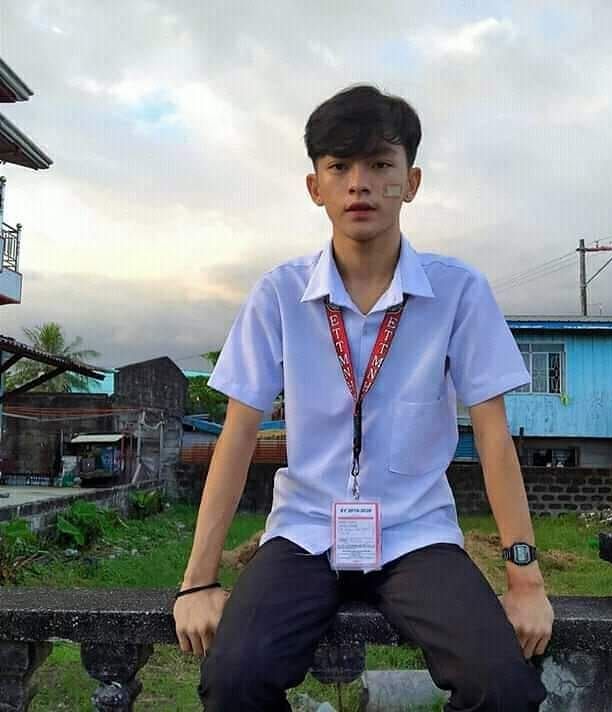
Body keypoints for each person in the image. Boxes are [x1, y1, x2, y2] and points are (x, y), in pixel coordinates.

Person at [173, 84, 553, 711]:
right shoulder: (279, 295)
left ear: (412, 180)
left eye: (380, 165)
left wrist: (525, 578)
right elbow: (237, 436)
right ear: (314, 185)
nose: (360, 185)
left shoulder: (458, 293)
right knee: (233, 678)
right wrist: (199, 581)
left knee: (504, 684)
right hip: (304, 531)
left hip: (415, 533)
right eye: (339, 167)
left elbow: (492, 437)